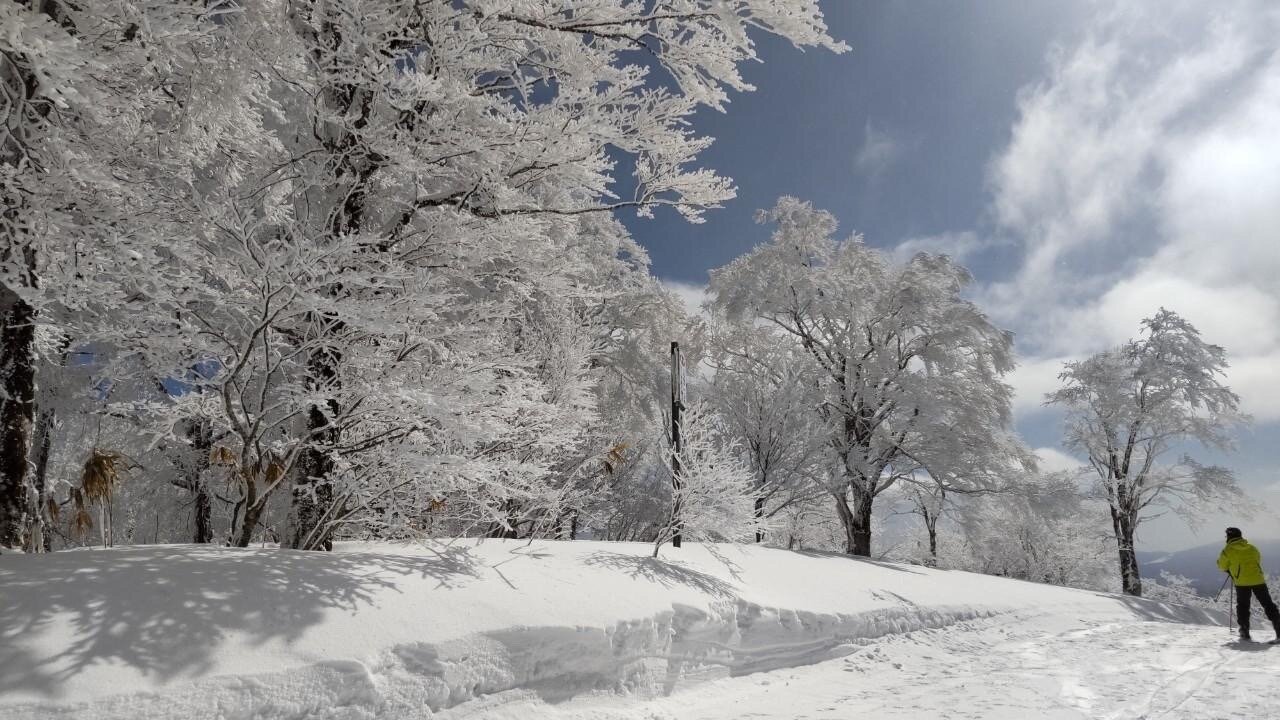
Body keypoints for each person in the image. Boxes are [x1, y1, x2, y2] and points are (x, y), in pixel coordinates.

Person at [1217, 527, 1280, 642]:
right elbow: (1257, 559)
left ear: (1229, 537)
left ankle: (1244, 631)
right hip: (1258, 580)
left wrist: (1232, 570)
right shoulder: (1252, 548)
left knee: (1243, 606)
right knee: (1268, 604)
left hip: (1242, 583)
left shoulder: (1227, 550)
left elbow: (1221, 566)